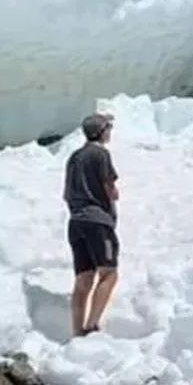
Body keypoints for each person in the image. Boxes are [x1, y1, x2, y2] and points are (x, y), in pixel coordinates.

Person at [63, 112, 120, 338]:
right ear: (101, 131)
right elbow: (109, 186)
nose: (110, 132)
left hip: (76, 222)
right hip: (98, 221)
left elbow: (67, 192)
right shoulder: (100, 154)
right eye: (109, 128)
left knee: (83, 278)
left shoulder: (74, 157)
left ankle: (77, 331)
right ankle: (92, 326)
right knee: (109, 274)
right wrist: (113, 198)